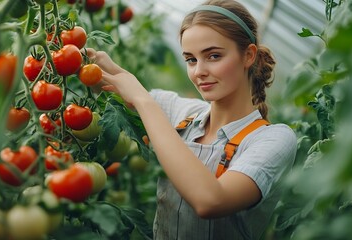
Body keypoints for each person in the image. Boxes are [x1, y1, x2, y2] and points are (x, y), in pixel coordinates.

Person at [86, 0, 297, 239]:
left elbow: (211, 201)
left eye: (214, 56)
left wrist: (144, 102)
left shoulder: (273, 139)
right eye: (191, 59)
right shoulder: (187, 113)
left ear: (248, 55)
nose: (199, 72)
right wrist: (93, 63)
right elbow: (122, 91)